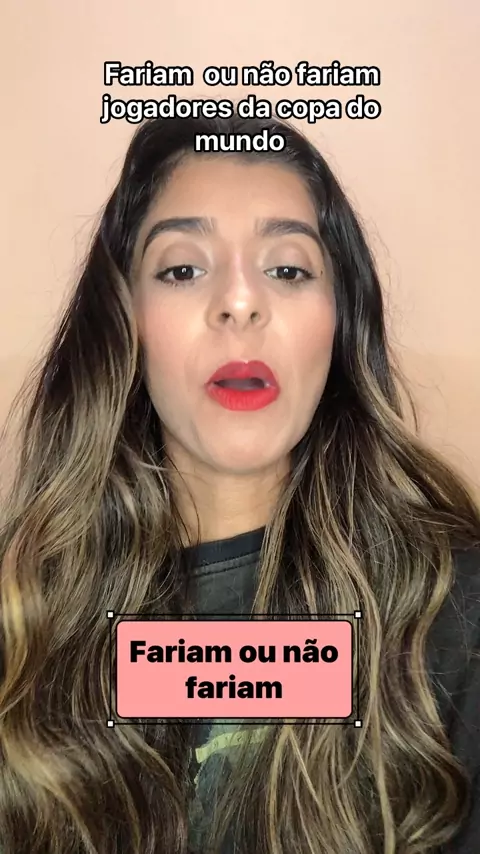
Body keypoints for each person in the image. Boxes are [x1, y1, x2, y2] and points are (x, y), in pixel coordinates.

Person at [0, 114, 479, 854]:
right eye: (182, 269)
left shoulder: (454, 610)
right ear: (124, 323)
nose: (241, 302)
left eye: (288, 269)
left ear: (340, 321)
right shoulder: (23, 609)